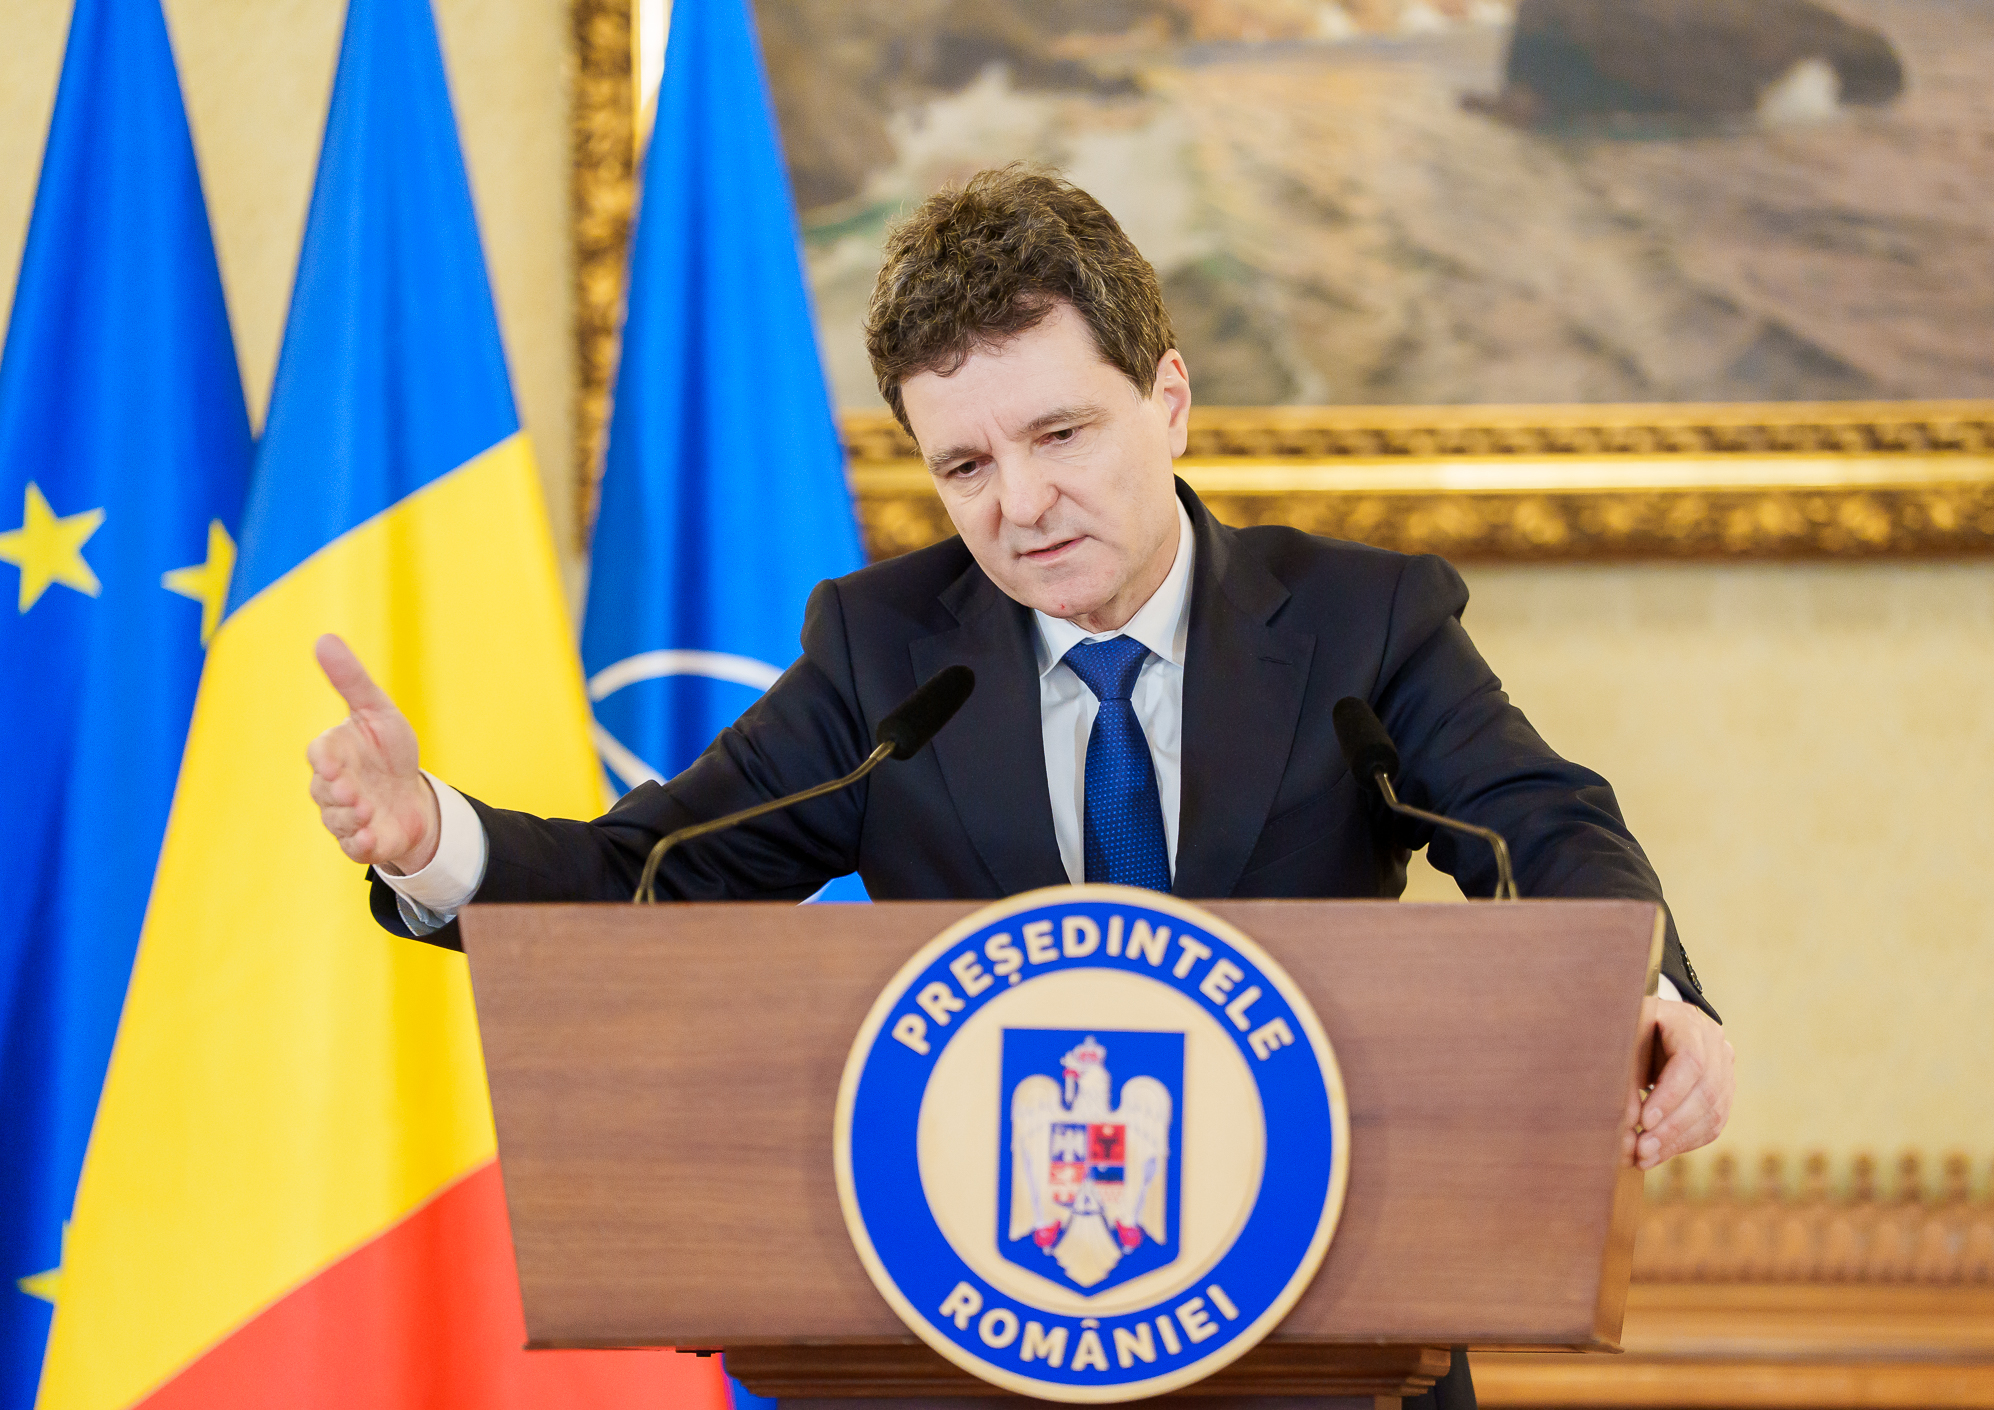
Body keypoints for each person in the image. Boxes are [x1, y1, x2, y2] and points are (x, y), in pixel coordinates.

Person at [308, 167, 1732, 1407]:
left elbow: (1537, 823)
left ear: (1168, 401)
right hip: (967, 1355)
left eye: (1061, 435)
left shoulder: (1363, 626)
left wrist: (1650, 997)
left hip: (1323, 1341)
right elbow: (654, 873)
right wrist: (432, 838)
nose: (1020, 505)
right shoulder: (882, 656)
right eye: (966, 464)